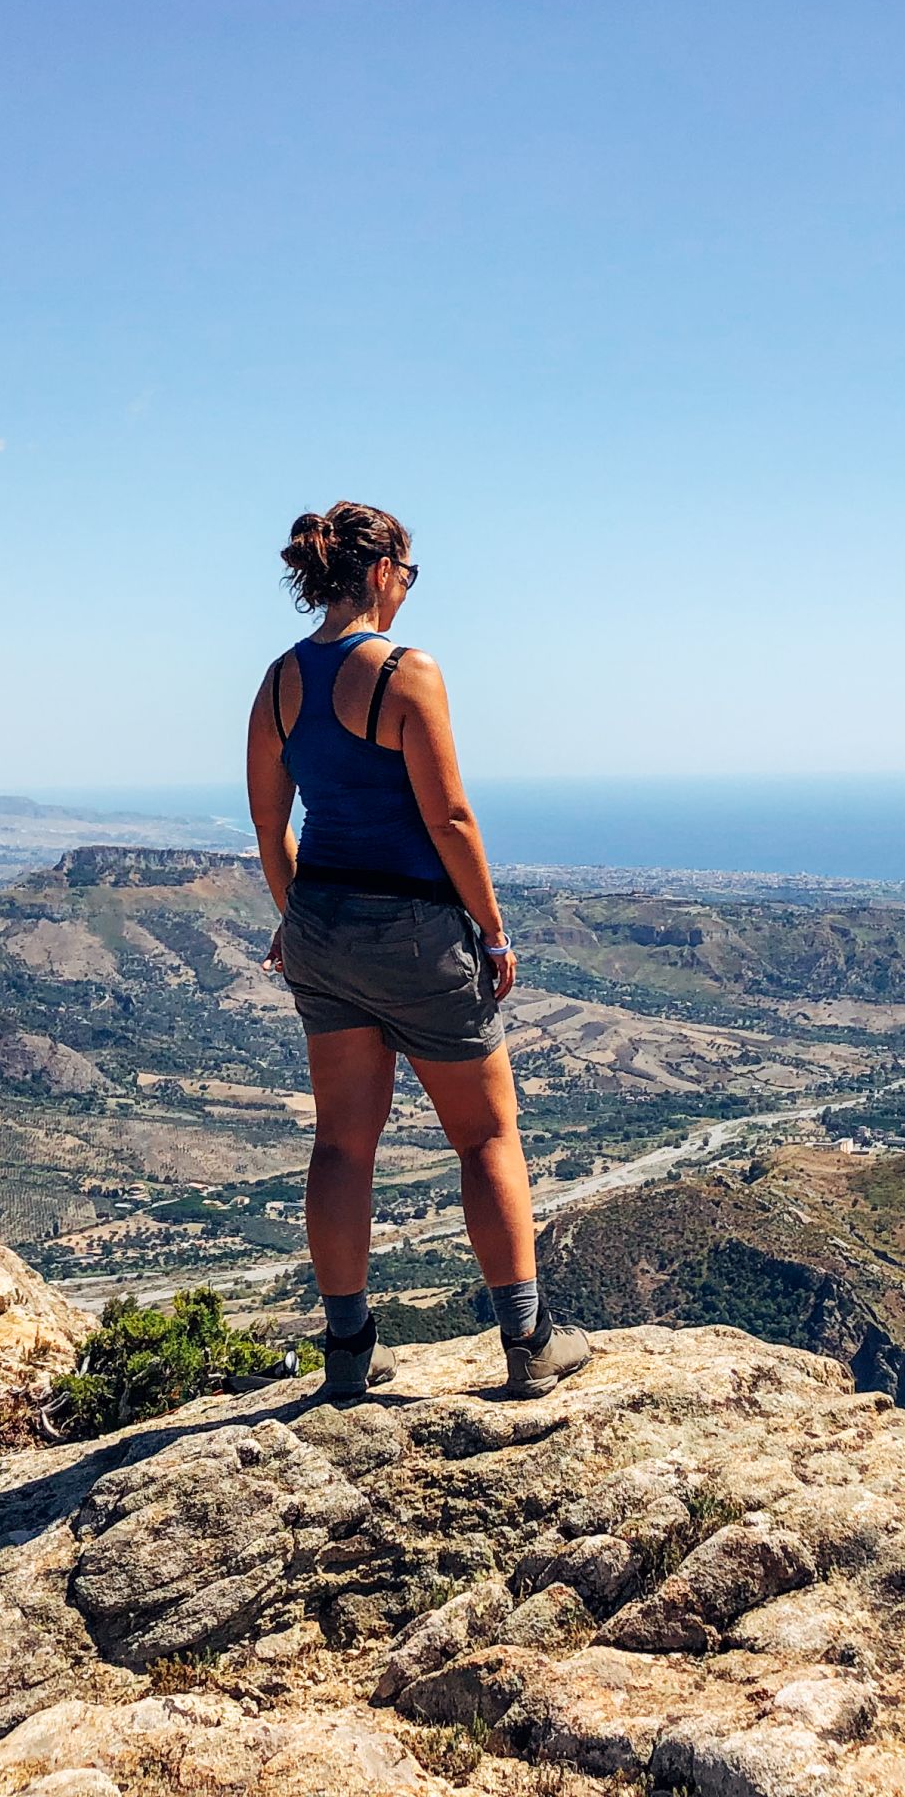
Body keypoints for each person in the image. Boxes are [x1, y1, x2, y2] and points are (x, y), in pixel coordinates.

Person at [246, 500, 591, 1402]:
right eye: (409, 571)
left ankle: (349, 1356)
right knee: (483, 1135)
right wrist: (493, 929)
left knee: (342, 1144)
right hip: (416, 930)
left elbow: (267, 820)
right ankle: (529, 1345)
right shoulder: (406, 671)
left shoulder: (279, 682)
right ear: (383, 570)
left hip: (320, 926)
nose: (408, 586)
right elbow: (449, 817)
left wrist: (299, 919)